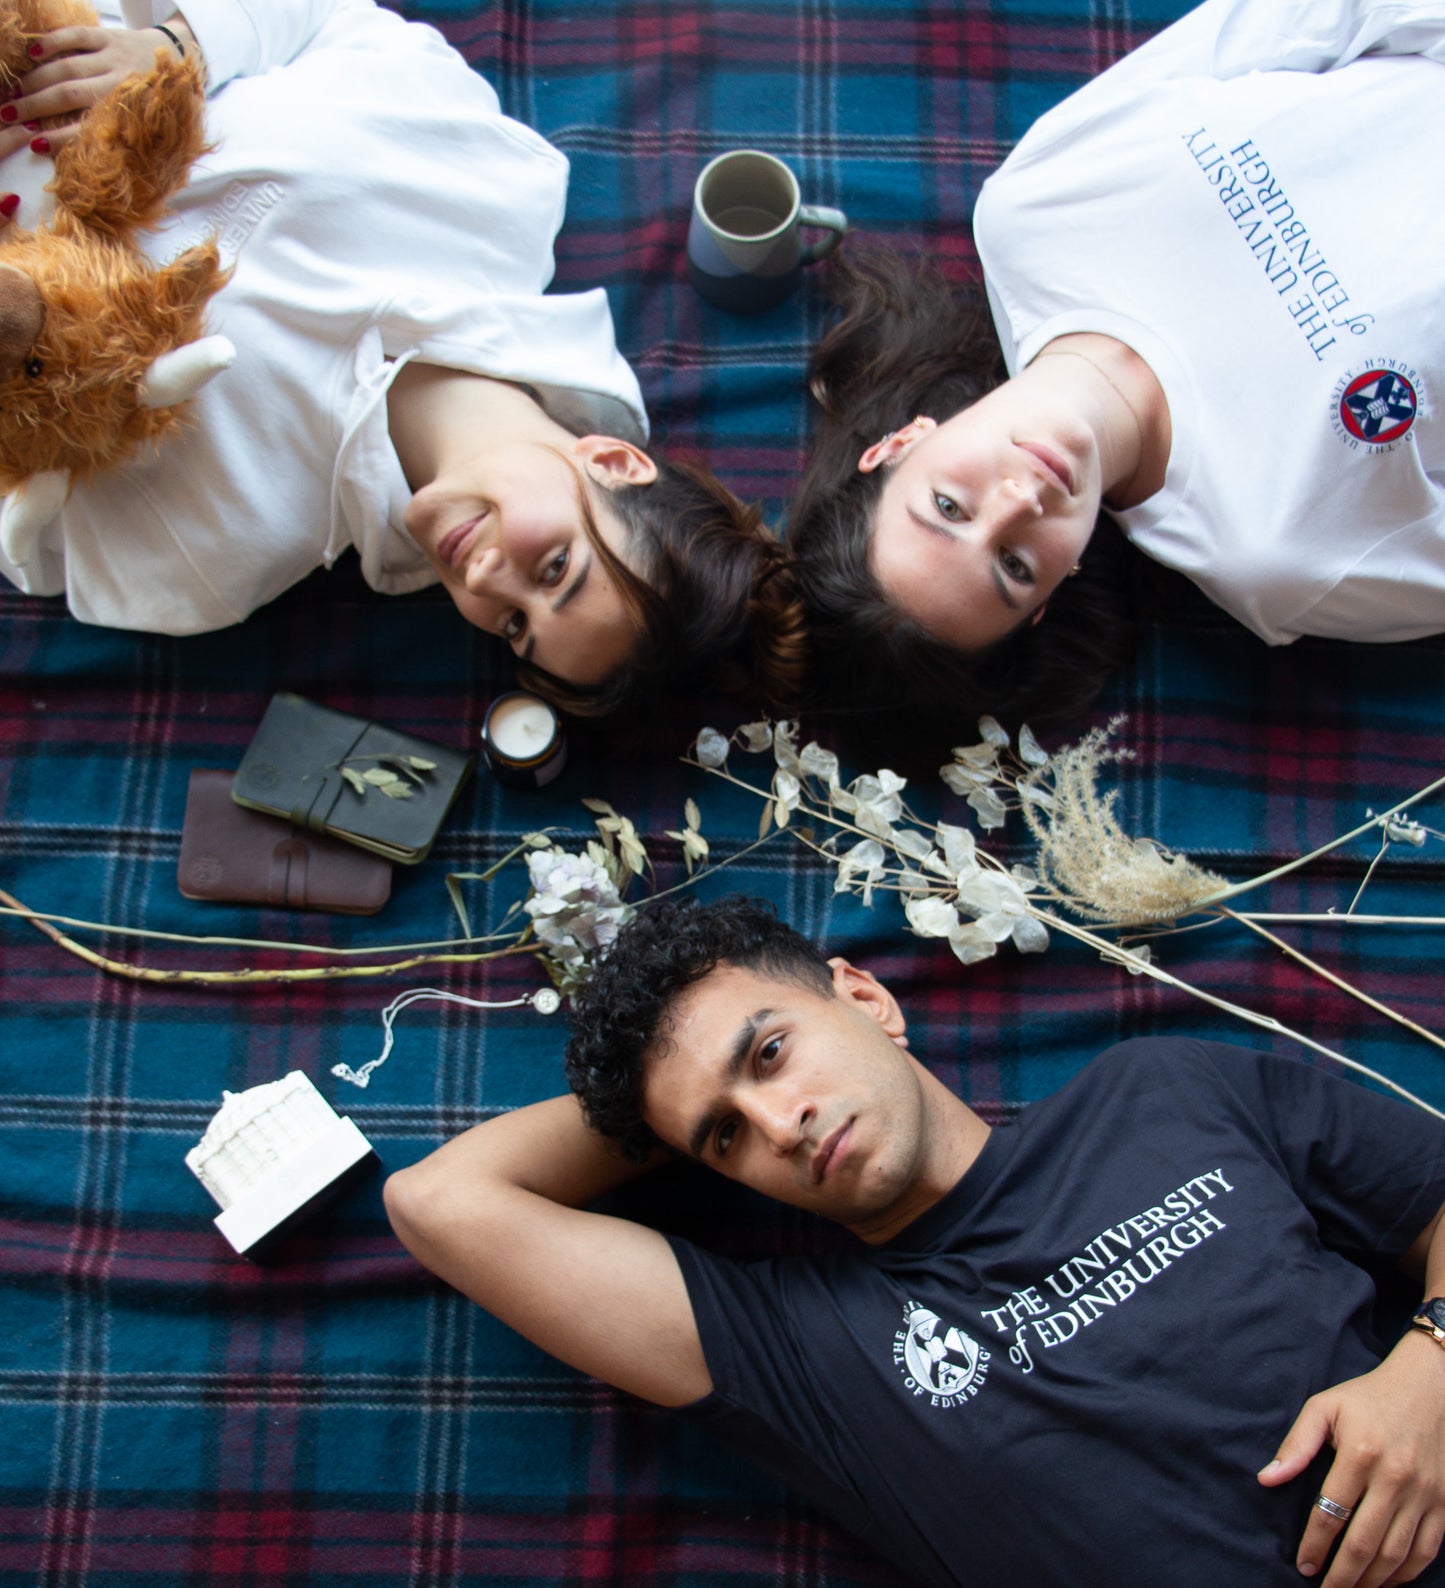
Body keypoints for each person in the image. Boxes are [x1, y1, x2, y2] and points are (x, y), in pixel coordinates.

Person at [385, 894, 1445, 1588]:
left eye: (769, 1051)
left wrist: (1428, 1367)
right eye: (721, 1136)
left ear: (863, 995)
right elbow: (441, 1201)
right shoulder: (802, 1349)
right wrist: (652, 1107)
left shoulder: (1162, 1089)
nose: (776, 1123)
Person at [0, 0, 804, 720]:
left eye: (517, 629)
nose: (488, 587)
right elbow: (321, 18)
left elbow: (26, 532)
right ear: (614, 462)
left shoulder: (219, 555)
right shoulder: (498, 186)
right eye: (555, 567)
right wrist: (183, 46)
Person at [788, 0, 1445, 764]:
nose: (1019, 501)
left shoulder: (1030, 212)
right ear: (1051, 594)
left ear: (899, 443)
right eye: (1014, 565)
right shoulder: (1276, 556)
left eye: (947, 505)